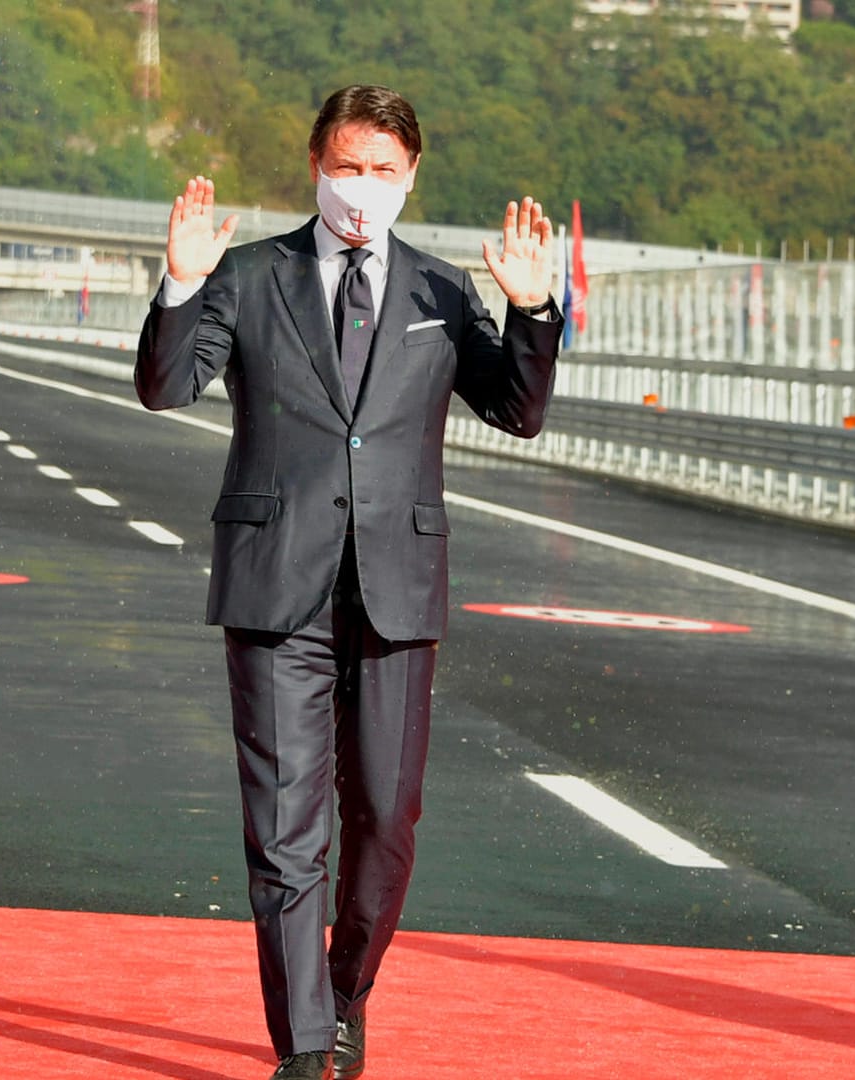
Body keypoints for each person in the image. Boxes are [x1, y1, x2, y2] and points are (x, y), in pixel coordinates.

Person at [135, 84, 561, 1080]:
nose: (362, 188)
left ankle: (348, 989)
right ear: (314, 165)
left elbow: (519, 411)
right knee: (285, 826)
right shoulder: (245, 278)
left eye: (384, 171)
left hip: (397, 589)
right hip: (277, 585)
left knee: (384, 820)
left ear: (412, 176)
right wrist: (179, 285)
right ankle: (305, 1042)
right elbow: (165, 387)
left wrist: (531, 309)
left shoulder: (442, 293)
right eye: (346, 167)